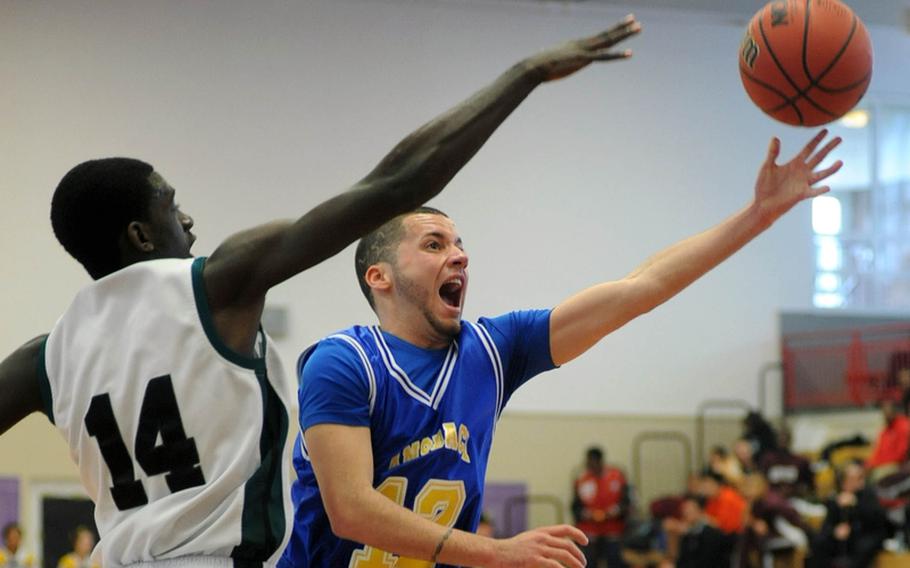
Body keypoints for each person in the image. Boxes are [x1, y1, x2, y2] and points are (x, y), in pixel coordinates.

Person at [0, 15, 586, 566]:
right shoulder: (214, 284)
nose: (190, 223)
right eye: (173, 209)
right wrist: (524, 75)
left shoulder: (43, 359)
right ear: (141, 234)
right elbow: (397, 184)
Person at [281, 91, 843, 568]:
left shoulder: (495, 350)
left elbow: (639, 288)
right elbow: (350, 509)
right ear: (378, 277)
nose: (459, 256)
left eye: (460, 244)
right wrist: (498, 553)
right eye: (434, 244)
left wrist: (756, 218)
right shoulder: (344, 362)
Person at [811, 462, 890, 568]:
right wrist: (835, 531)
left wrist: (856, 504)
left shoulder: (868, 493)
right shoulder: (836, 497)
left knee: (862, 547)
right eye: (853, 479)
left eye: (860, 478)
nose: (859, 482)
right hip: (844, 535)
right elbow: (827, 524)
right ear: (844, 482)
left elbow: (878, 519)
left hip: (866, 534)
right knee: (819, 542)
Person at [572, 446, 630, 567]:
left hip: (613, 530)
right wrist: (587, 514)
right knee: (587, 562)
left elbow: (626, 502)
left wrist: (616, 511)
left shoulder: (617, 477)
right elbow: (576, 507)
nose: (591, 465)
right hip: (590, 531)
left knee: (615, 561)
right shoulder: (582, 480)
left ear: (600, 461)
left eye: (593, 461)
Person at [659, 495, 732, 568]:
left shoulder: (710, 533)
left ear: (700, 511)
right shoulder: (686, 532)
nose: (686, 512)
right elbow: (679, 558)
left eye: (691, 509)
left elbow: (705, 561)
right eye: (685, 509)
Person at [865, 398, 910, 481]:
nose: (886, 414)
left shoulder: (904, 426)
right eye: (884, 411)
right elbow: (878, 451)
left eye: (888, 411)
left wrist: (878, 464)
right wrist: (869, 464)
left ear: (894, 411)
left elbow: (901, 454)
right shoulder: (885, 430)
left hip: (896, 465)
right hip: (882, 464)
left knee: (878, 474)